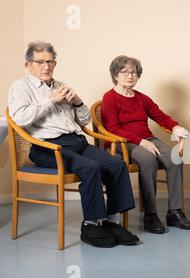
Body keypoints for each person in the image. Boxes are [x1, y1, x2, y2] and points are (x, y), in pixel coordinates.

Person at [8, 42, 138, 248]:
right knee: (91, 168)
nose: (45, 66)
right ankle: (90, 225)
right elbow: (20, 119)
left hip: (75, 141)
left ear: (55, 63)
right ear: (28, 65)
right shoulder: (20, 87)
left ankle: (112, 223)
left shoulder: (61, 85)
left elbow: (85, 120)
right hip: (47, 147)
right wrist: (51, 101)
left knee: (117, 164)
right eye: (40, 62)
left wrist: (77, 100)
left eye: (50, 62)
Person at [101, 55, 190, 234]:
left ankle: (174, 211)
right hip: (123, 142)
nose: (130, 76)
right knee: (149, 161)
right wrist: (140, 142)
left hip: (147, 139)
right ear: (115, 74)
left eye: (134, 72)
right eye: (125, 72)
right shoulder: (110, 98)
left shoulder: (142, 98)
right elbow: (112, 128)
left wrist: (174, 126)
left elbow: (160, 116)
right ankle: (150, 215)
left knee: (176, 160)